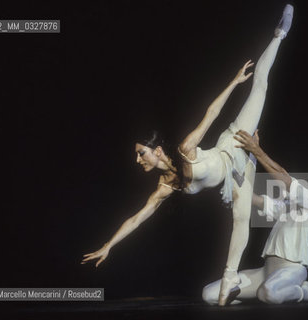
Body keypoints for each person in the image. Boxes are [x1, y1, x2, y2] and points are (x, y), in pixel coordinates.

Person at [81, 5, 294, 306]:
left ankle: (279, 35)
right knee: (241, 217)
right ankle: (232, 277)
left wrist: (234, 81)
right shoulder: (165, 187)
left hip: (233, 144)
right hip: (233, 181)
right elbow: (136, 219)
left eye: (141, 153)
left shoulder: (185, 150)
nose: (138, 160)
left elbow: (212, 112)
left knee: (260, 86)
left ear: (156, 151)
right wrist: (108, 245)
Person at [201, 130, 308, 305]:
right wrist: (231, 172)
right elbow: (252, 198)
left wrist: (256, 149)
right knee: (210, 294)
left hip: (292, 270)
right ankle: (273, 289)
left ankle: (305, 291)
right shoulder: (290, 206)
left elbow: (284, 178)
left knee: (269, 293)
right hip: (266, 271)